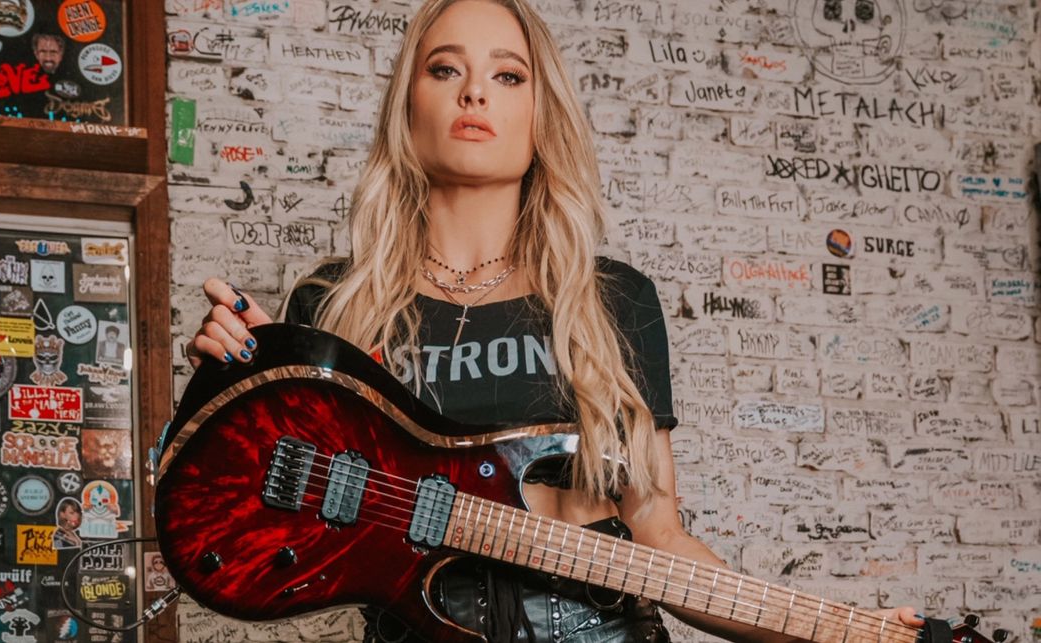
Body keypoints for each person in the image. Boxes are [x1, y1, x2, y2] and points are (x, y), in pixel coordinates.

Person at [186, 1, 925, 641]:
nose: (475, 91)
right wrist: (243, 394)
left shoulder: (613, 301)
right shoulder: (332, 302)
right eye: (444, 70)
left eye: (509, 76)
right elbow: (277, 540)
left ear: (542, 114)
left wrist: (832, 629)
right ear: (408, 104)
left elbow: (660, 536)